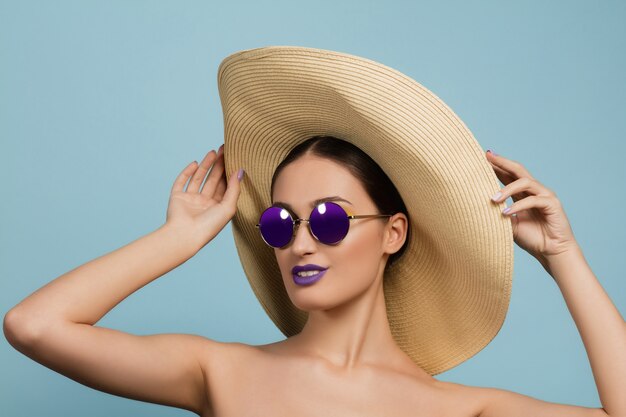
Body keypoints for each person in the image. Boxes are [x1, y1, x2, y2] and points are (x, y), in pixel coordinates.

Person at [3, 46, 624, 417]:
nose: (301, 241)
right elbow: (33, 326)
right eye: (280, 222)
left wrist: (564, 258)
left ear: (394, 233)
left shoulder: (461, 409)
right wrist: (178, 240)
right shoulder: (217, 372)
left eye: (328, 219)